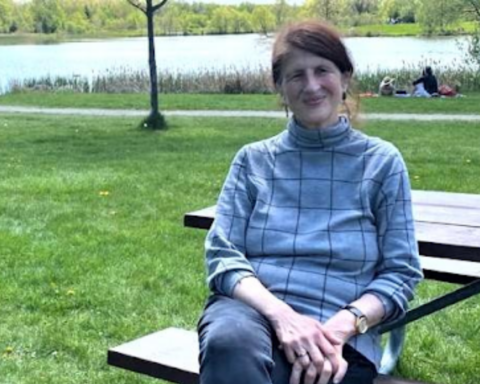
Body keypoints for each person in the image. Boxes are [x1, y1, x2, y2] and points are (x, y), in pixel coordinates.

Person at [197, 20, 423, 384]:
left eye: (323, 70)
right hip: (252, 318)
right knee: (228, 344)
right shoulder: (252, 161)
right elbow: (223, 256)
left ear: (345, 77)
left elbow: (401, 272)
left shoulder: (382, 162)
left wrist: (339, 328)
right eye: (296, 75)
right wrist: (282, 317)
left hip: (342, 336)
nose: (312, 85)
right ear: (280, 88)